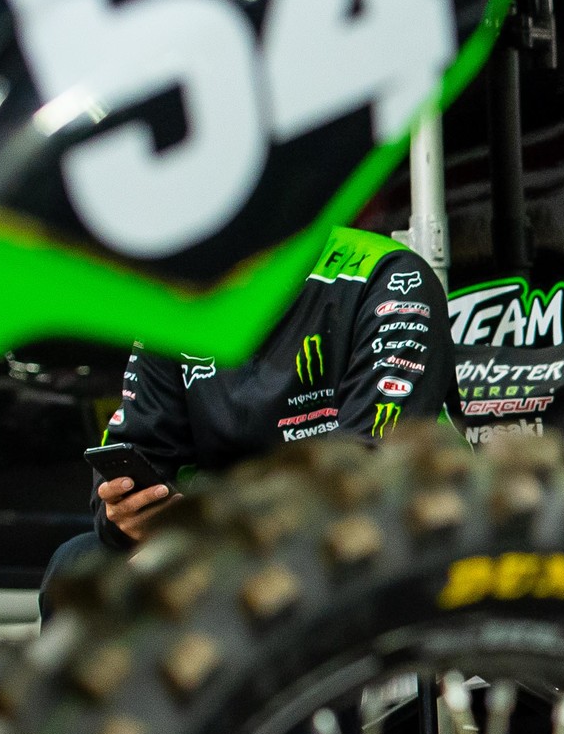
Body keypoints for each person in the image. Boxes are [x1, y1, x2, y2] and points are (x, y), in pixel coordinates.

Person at [54, 225, 456, 575]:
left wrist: (214, 543)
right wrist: (127, 520)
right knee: (74, 564)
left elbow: (366, 480)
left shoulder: (389, 277)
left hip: (370, 538)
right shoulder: (178, 295)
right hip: (226, 541)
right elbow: (137, 454)